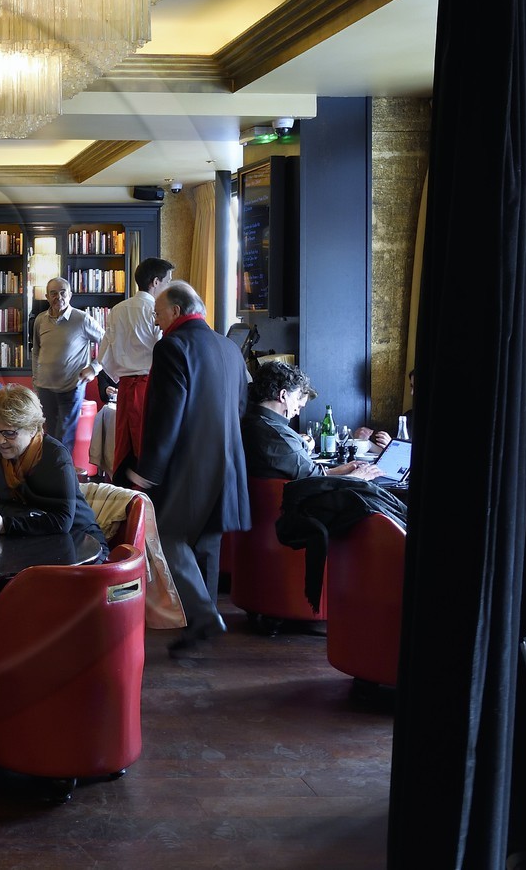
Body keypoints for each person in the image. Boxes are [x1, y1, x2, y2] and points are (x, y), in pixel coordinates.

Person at [125, 281, 249, 656]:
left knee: (168, 537)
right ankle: (200, 625)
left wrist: (148, 470)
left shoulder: (172, 347)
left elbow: (166, 415)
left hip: (190, 467)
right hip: (229, 463)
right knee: (208, 544)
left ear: (176, 311)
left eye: (158, 313)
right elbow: (240, 406)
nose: (156, 321)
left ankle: (204, 616)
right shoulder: (229, 347)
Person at [0, 385, 103, 545]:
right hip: (32, 541)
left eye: (10, 433)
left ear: (33, 429)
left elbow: (62, 521)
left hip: (81, 541)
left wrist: (4, 526)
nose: (0, 440)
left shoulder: (55, 456)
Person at [243, 361, 385, 481]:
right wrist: (357, 477)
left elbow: (310, 474)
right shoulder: (276, 434)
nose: (297, 411)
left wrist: (336, 471)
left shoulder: (250, 422)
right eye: (297, 399)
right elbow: (315, 483)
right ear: (283, 395)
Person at [97, 257, 175, 476]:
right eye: (168, 281)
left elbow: (105, 353)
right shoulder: (157, 310)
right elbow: (163, 348)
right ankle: (147, 491)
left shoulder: (117, 310)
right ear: (156, 282)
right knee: (147, 444)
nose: (169, 287)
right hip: (149, 385)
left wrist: (115, 374)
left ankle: (125, 490)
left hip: (124, 387)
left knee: (125, 447)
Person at [32, 276, 106, 452]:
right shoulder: (40, 320)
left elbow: (108, 342)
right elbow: (36, 351)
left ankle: (62, 468)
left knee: (64, 436)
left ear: (70, 295)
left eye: (62, 292)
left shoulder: (82, 319)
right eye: (53, 293)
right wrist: (36, 379)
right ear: (47, 297)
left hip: (71, 387)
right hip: (45, 387)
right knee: (49, 435)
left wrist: (94, 368)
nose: (58, 297)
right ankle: (53, 467)